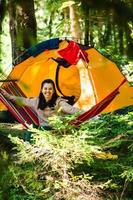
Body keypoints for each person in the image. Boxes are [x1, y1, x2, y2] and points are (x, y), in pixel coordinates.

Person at [0, 79, 83, 131]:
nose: (48, 91)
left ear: (54, 91)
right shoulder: (37, 101)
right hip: (44, 129)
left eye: (50, 89)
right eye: (45, 88)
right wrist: (7, 95)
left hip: (57, 129)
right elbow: (22, 100)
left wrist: (88, 113)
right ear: (41, 90)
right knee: (30, 131)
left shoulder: (59, 102)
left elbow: (71, 110)